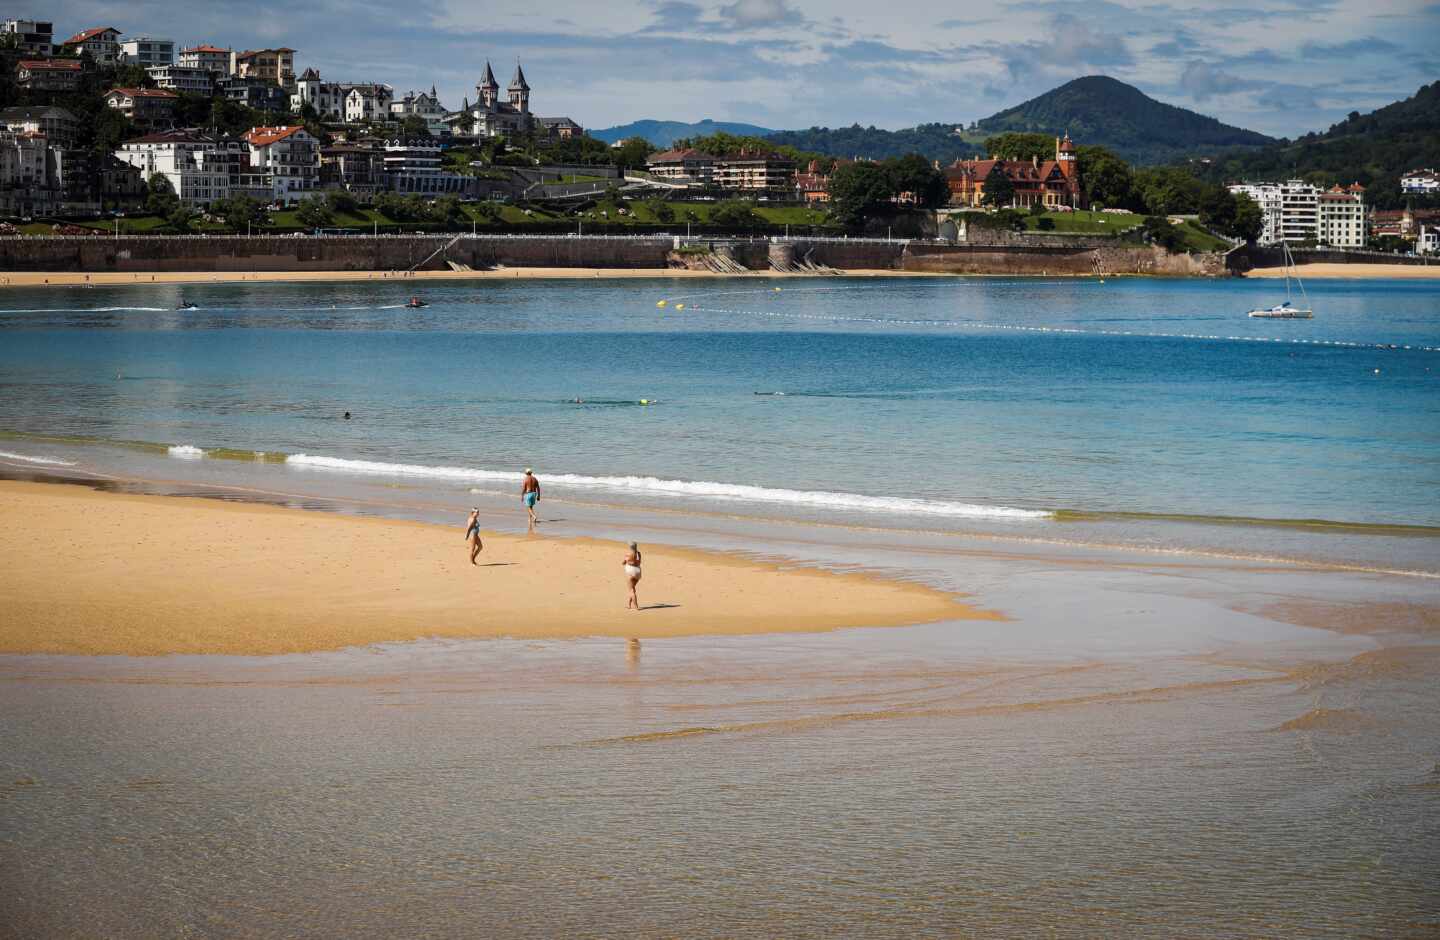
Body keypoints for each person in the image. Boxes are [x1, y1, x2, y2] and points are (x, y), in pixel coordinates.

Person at [622, 541, 642, 610]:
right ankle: (629, 605)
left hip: (630, 571)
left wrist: (626, 561)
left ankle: (636, 606)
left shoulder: (628, 554)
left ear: (630, 547)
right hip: (638, 571)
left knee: (631, 590)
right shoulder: (639, 553)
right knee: (632, 589)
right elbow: (639, 562)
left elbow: (623, 562)